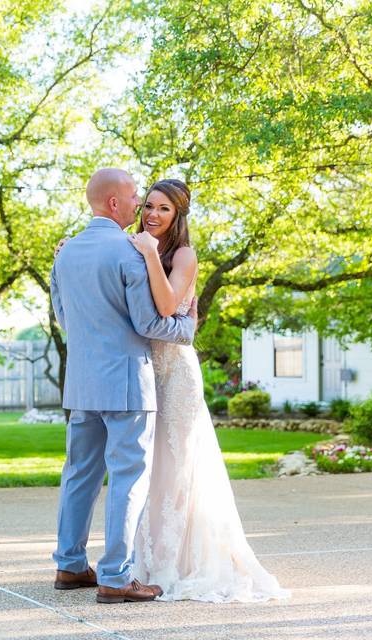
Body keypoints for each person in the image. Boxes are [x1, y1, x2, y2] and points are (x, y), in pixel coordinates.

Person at [127, 179, 289, 602]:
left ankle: (178, 563)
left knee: (179, 466)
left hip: (177, 373)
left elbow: (165, 306)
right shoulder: (139, 247)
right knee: (148, 466)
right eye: (148, 206)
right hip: (145, 367)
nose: (152, 215)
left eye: (163, 209)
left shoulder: (183, 255)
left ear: (178, 214)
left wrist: (146, 253)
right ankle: (142, 560)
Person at [50, 168, 196, 604]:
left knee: (79, 474)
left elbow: (64, 318)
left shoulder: (65, 253)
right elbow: (149, 322)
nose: (139, 206)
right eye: (135, 197)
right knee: (129, 477)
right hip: (127, 382)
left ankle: (70, 565)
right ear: (114, 203)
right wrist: (187, 327)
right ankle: (115, 575)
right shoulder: (131, 252)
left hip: (81, 382)